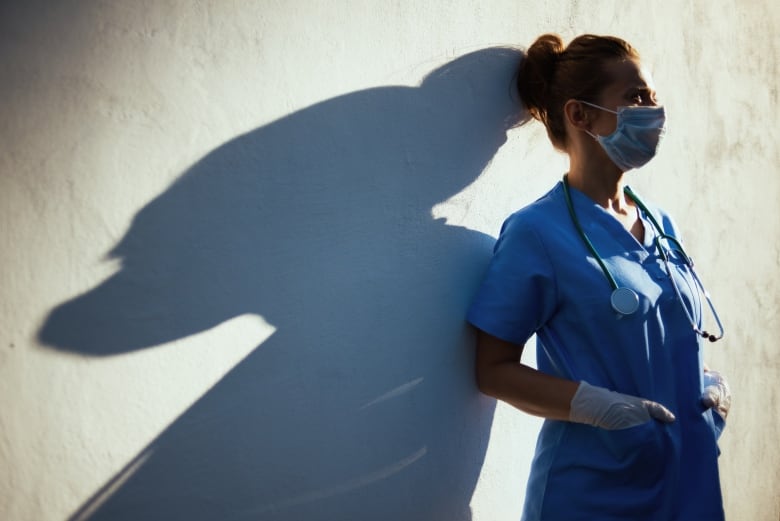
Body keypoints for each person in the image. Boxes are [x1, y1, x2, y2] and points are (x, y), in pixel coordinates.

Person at [467, 34, 731, 520]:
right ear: (580, 115)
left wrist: (710, 387)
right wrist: (592, 405)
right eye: (635, 97)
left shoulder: (660, 224)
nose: (654, 110)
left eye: (652, 96)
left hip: (687, 482)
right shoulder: (537, 232)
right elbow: (492, 369)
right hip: (595, 492)